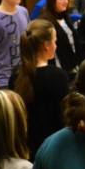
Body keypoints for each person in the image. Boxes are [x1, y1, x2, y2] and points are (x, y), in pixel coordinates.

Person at [12, 19, 70, 159]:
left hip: (25, 150)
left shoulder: (15, 76)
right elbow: (63, 119)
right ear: (46, 45)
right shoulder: (58, 76)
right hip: (53, 150)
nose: (56, 46)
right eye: (55, 41)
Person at [38, 0, 80, 80]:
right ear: (52, 1)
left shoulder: (65, 17)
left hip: (73, 66)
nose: (66, 1)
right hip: (57, 69)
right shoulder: (45, 21)